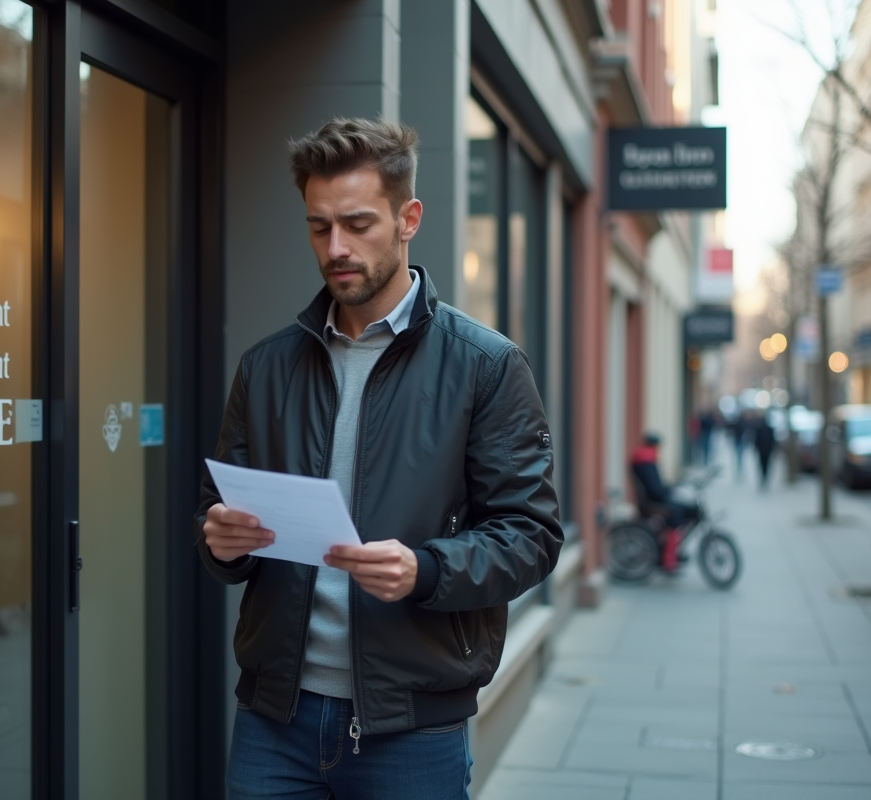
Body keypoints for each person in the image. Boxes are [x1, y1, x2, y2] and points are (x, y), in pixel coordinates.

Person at [195, 117, 562, 800]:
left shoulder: (486, 365)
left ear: (408, 218)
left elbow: (531, 537)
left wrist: (425, 570)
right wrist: (221, 541)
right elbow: (220, 527)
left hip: (412, 726)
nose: (336, 247)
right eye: (319, 226)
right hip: (274, 716)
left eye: (358, 224)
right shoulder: (267, 366)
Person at [630, 433, 697, 570]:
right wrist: (669, 491)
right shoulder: (646, 460)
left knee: (685, 508)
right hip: (653, 502)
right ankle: (669, 557)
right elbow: (655, 489)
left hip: (653, 498)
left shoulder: (644, 457)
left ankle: (670, 547)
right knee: (680, 511)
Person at [753, 413, 776, 489]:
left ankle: (763, 478)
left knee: (762, 464)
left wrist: (755, 448)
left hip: (761, 450)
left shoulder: (759, 428)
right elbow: (773, 440)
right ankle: (765, 477)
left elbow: (756, 440)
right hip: (767, 450)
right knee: (767, 464)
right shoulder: (770, 429)